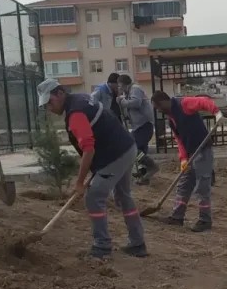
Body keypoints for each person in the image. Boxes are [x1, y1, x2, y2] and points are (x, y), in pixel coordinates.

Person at [37, 78, 147, 259]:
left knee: (94, 196)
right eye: (46, 105)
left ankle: (102, 247)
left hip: (115, 154)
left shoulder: (75, 114)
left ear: (60, 93)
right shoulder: (80, 99)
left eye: (50, 101)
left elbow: (88, 148)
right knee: (123, 195)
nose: (49, 107)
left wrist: (80, 182)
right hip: (126, 148)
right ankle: (138, 243)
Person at [151, 91, 222, 232]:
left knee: (202, 186)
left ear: (163, 102)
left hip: (203, 151)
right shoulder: (171, 119)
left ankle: (205, 220)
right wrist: (183, 158)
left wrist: (216, 112)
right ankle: (177, 217)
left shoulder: (183, 103)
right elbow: (179, 140)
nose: (158, 110)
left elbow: (203, 101)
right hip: (190, 153)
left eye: (157, 107)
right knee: (183, 184)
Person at [116, 74, 159, 184]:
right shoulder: (128, 92)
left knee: (131, 147)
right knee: (141, 151)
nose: (119, 88)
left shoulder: (135, 89)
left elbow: (136, 103)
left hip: (144, 125)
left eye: (120, 85)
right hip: (138, 126)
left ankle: (151, 166)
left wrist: (122, 101)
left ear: (125, 84)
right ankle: (144, 174)